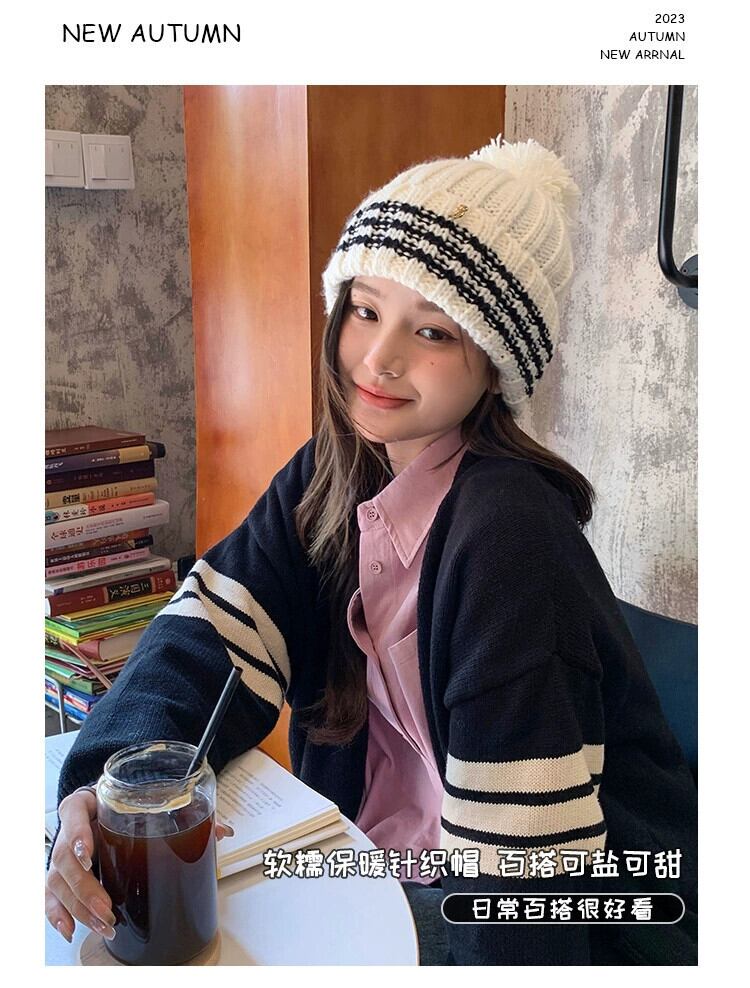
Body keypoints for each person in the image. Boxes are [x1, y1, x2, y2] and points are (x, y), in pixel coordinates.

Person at [45, 134, 698, 965]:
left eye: (432, 332)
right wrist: (104, 783)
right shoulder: (338, 469)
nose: (380, 360)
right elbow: (209, 633)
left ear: (495, 368)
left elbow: (525, 894)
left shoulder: (509, 538)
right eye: (365, 310)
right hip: (383, 859)